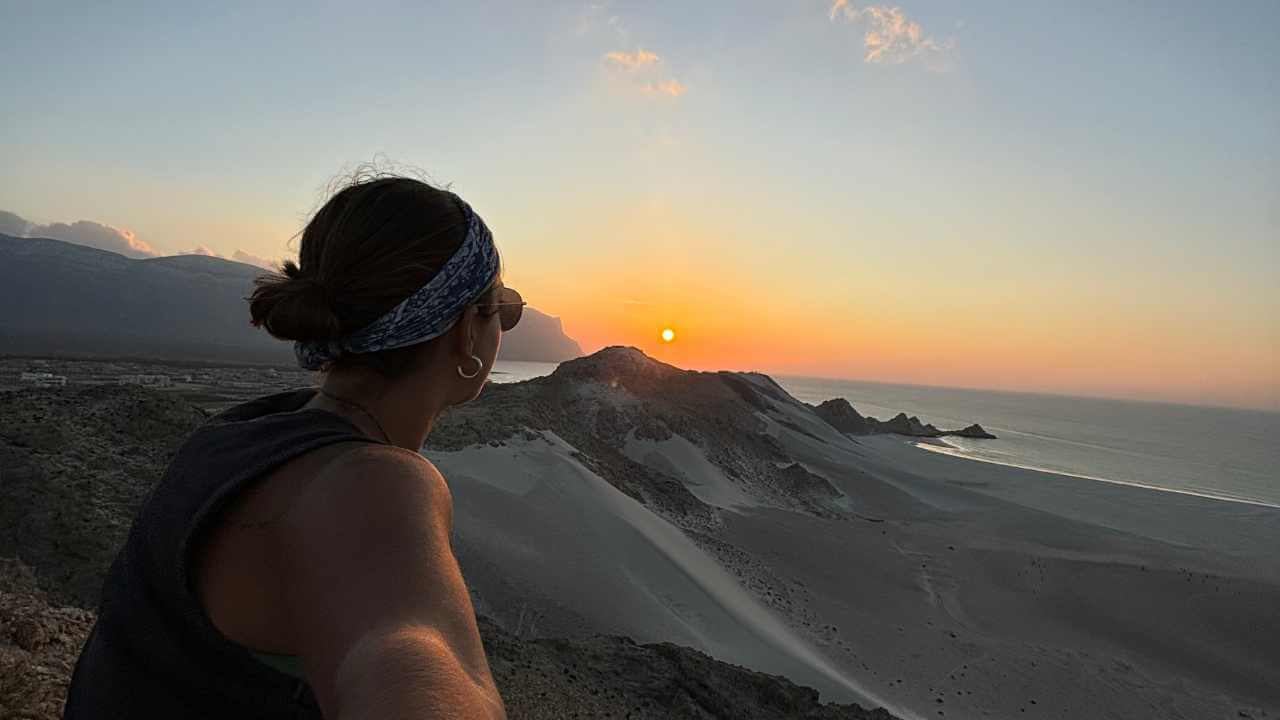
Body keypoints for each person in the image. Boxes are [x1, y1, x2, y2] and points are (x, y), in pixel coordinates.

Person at [65, 176, 521, 719]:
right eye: (503, 309)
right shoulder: (373, 483)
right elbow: (405, 656)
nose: (504, 327)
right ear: (468, 330)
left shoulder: (235, 438)